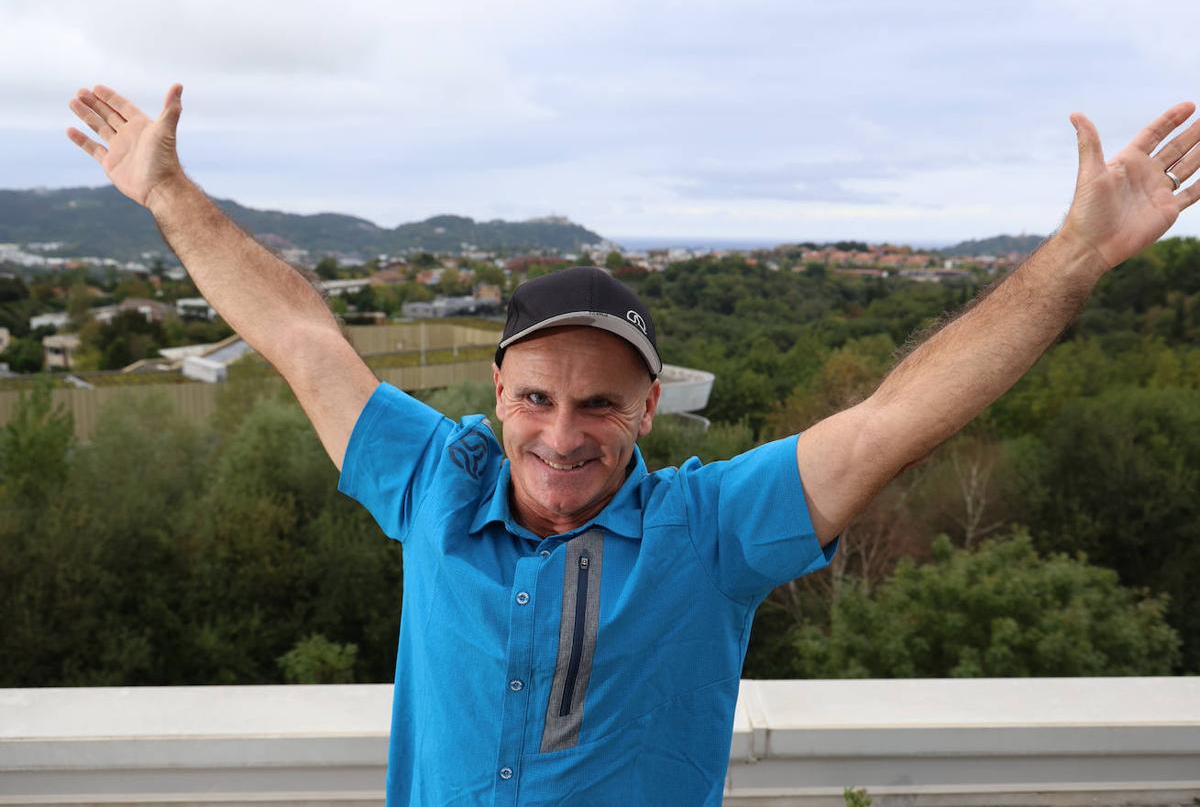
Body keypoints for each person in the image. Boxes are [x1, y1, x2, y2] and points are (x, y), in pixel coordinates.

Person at [68, 83, 1199, 805]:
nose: (563, 435)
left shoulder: (707, 532)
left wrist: (1076, 261)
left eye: (601, 405)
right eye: (538, 399)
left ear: (649, 409)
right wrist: (166, 196)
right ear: (497, 389)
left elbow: (898, 416)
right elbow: (299, 332)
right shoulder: (431, 482)